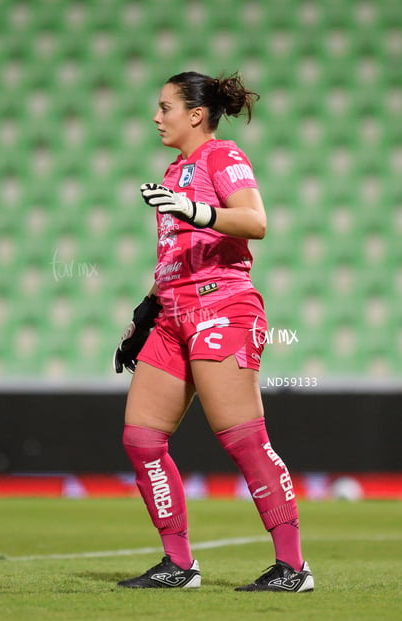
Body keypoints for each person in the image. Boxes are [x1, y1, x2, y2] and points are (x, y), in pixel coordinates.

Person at [113, 71, 314, 592]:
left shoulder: (222, 156)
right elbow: (176, 257)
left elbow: (255, 221)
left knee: (246, 441)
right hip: (173, 316)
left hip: (222, 307)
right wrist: (145, 312)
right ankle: (179, 565)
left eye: (165, 107)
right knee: (141, 438)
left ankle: (293, 568)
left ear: (195, 114)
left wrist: (196, 209)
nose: (157, 117)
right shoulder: (173, 168)